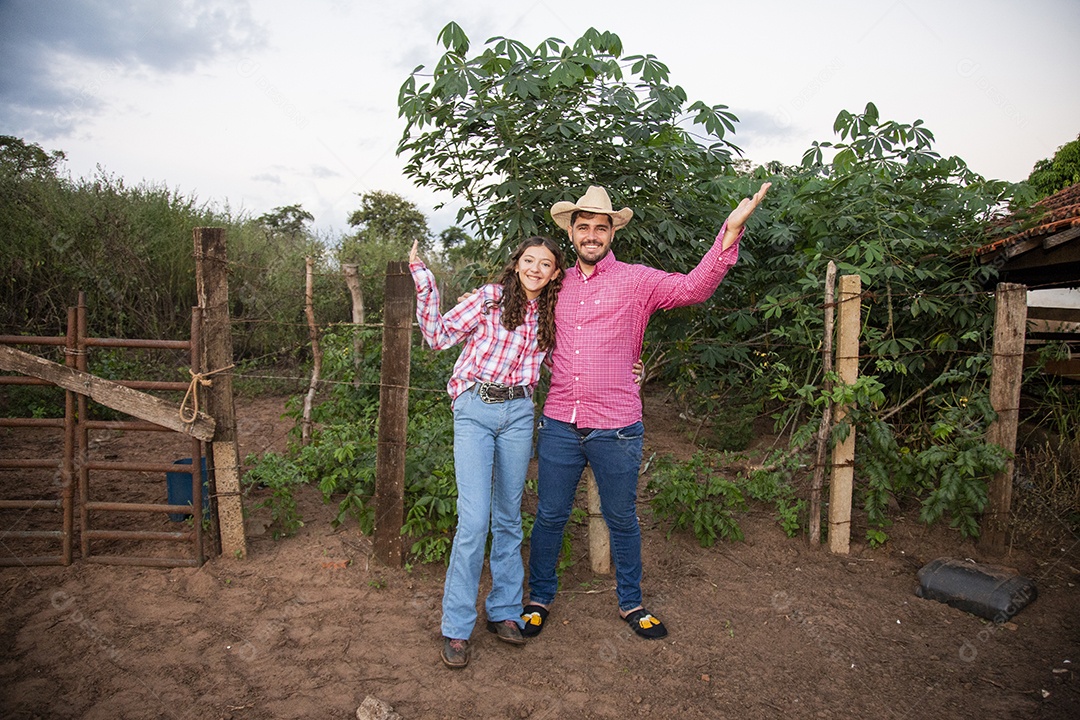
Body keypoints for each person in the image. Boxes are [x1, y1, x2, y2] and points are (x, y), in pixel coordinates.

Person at [521, 182, 771, 641]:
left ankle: (631, 602)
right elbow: (517, 309)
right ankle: (538, 598)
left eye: (601, 226)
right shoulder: (555, 283)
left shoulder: (638, 280)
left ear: (612, 232)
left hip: (616, 426)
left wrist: (729, 233)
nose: (592, 234)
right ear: (571, 233)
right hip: (559, 421)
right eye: (584, 227)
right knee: (551, 515)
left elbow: (694, 288)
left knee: (622, 517)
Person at [409, 235, 564, 669]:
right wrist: (424, 280)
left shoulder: (552, 314)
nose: (536, 268)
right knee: (475, 520)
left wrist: (625, 367)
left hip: (518, 413)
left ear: (554, 273)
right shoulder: (490, 299)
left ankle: (503, 612)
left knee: (509, 517)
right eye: (529, 260)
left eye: (546, 263)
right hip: (476, 408)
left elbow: (565, 363)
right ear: (517, 265)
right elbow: (438, 337)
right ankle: (457, 627)